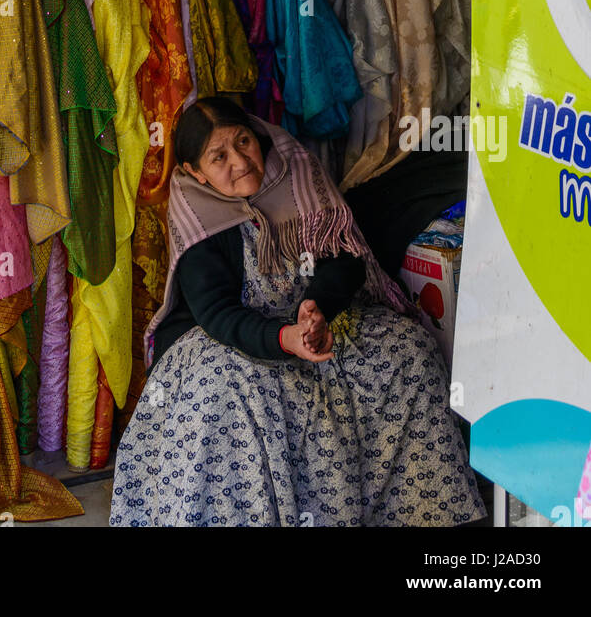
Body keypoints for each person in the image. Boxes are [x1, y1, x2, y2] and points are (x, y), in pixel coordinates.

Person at [109, 95, 485, 527]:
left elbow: (345, 258)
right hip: (227, 340)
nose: (240, 161)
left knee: (408, 350)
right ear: (195, 172)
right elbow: (216, 312)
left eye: (244, 142)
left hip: (313, 319)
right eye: (219, 157)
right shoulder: (195, 211)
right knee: (225, 396)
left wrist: (317, 309)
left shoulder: (296, 169)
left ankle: (422, 515)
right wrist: (284, 339)